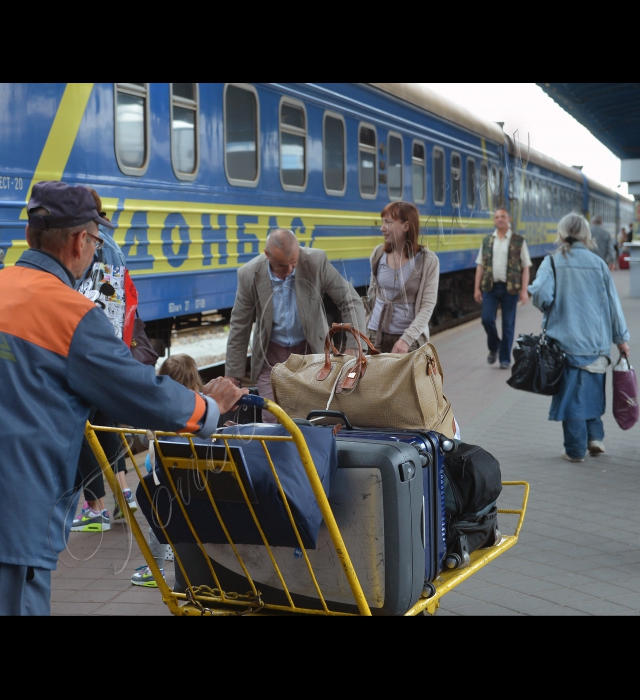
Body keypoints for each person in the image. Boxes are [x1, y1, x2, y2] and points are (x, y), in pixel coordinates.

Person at [0, 181, 246, 615]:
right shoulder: (71, 313)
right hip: (7, 518)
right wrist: (208, 407)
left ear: (30, 237)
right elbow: (139, 392)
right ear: (81, 242)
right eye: (97, 239)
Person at [225, 228, 366, 422]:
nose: (291, 270)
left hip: (310, 352)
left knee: (313, 417)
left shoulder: (315, 261)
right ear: (267, 256)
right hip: (271, 357)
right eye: (284, 266)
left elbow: (350, 300)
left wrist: (353, 347)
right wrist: (232, 375)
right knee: (273, 418)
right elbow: (240, 325)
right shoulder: (249, 274)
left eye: (294, 263)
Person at [528, 213, 630, 462]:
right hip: (596, 344)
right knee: (593, 391)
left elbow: (541, 294)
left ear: (562, 234)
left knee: (572, 397)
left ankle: (574, 449)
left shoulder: (552, 263)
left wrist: (547, 303)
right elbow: (614, 307)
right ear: (587, 235)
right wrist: (621, 339)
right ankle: (595, 437)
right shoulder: (599, 264)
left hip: (565, 344)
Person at [71, 188, 136, 533]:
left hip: (90, 349)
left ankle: (95, 507)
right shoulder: (111, 244)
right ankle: (124, 494)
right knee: (106, 423)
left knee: (83, 428)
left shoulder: (93, 245)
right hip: (109, 351)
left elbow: (93, 299)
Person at [131, 354, 204, 587]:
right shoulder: (200, 403)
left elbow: (143, 439)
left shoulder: (160, 409)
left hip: (162, 475)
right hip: (193, 476)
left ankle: (155, 570)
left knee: (158, 520)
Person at [366, 201, 439, 352]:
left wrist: (406, 340)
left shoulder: (428, 261)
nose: (382, 228)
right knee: (375, 377)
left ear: (406, 226)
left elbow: (427, 305)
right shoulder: (378, 254)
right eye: (382, 222)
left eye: (388, 222)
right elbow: (372, 294)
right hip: (374, 334)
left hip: (408, 340)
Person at [474, 208, 532, 369]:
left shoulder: (518, 240)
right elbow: (480, 265)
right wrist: (476, 288)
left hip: (510, 289)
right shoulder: (487, 241)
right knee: (486, 319)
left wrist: (524, 290)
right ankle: (495, 347)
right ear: (494, 220)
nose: (499, 219)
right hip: (490, 288)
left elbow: (525, 267)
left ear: (509, 219)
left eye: (502, 217)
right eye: (497, 217)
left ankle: (505, 358)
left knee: (508, 324)